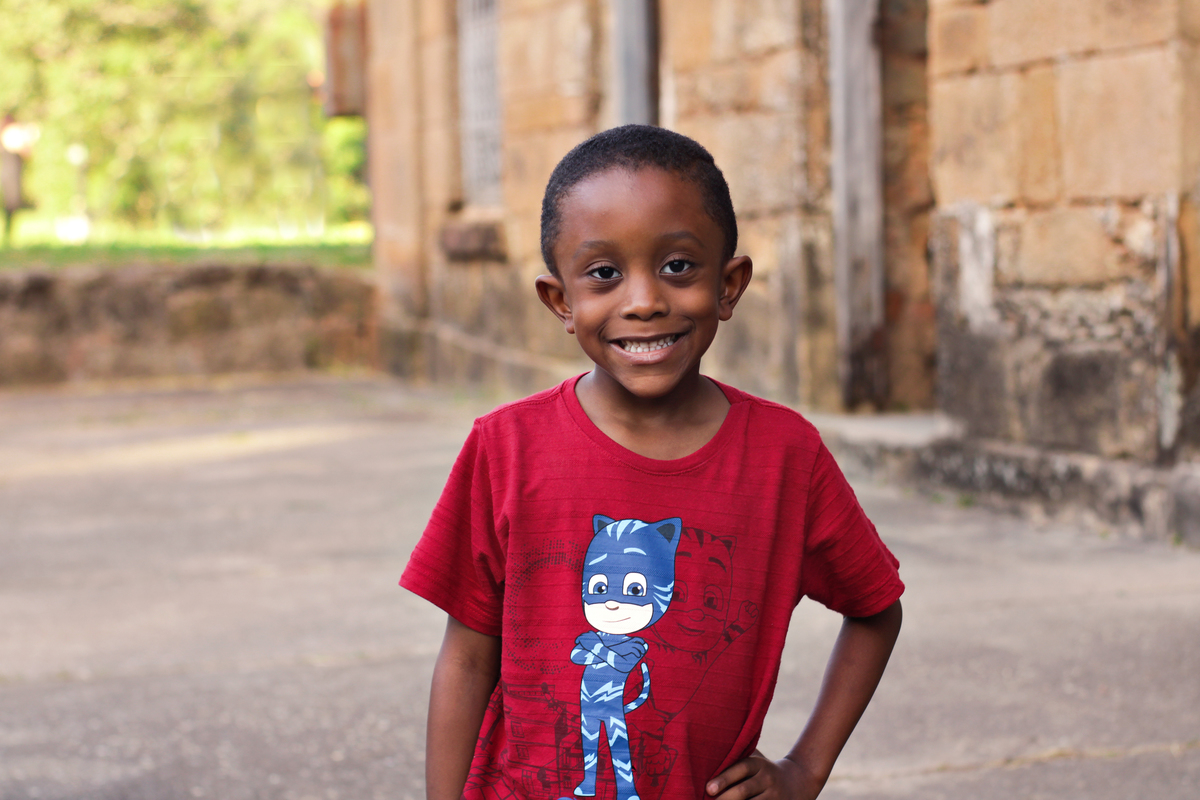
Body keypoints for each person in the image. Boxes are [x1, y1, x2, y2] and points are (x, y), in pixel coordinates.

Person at [401, 124, 904, 800]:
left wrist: (805, 769)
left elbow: (875, 606)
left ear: (729, 286)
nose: (643, 301)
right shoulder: (506, 448)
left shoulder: (785, 458)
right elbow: (466, 658)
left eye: (677, 267)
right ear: (562, 302)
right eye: (604, 274)